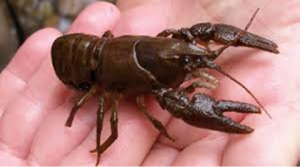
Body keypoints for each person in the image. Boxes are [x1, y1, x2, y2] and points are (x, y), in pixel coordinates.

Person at [0, 0, 299, 166]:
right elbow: (115, 123)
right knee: (120, 123)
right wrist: (95, 138)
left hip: (104, 48)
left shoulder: (171, 42)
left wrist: (193, 53)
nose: (193, 53)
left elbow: (186, 38)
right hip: (75, 59)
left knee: (187, 50)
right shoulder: (152, 94)